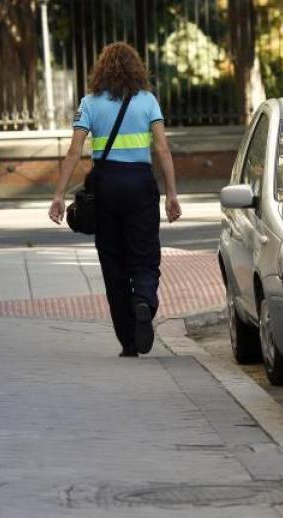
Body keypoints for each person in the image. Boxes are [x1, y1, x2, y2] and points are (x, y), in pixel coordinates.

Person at [49, 42, 181, 357]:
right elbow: (162, 149)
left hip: (105, 187)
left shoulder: (90, 104)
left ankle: (128, 342)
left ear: (101, 70)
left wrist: (58, 195)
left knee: (113, 261)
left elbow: (73, 151)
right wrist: (172, 194)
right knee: (145, 254)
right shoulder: (148, 101)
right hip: (140, 185)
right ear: (137, 68)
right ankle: (144, 301)